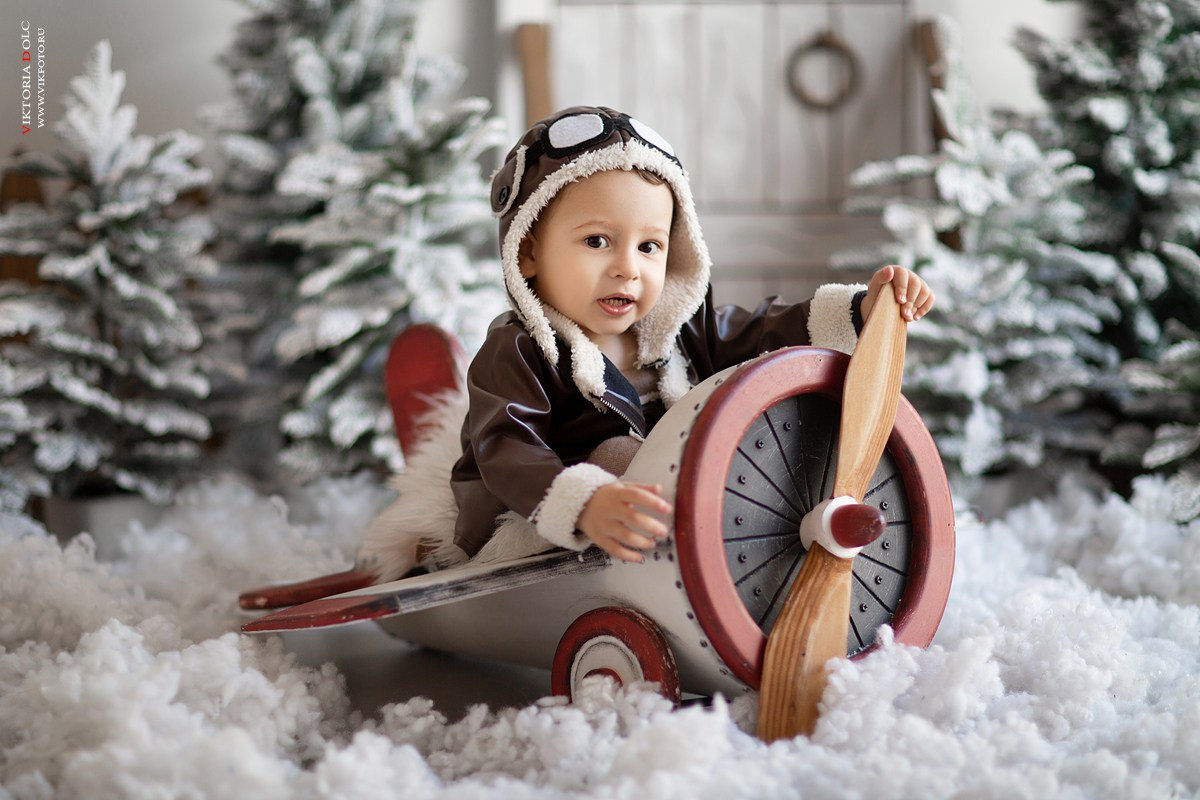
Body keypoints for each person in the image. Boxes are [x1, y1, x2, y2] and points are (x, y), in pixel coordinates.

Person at [449, 105, 934, 566]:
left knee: (764, 425)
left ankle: (786, 524)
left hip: (679, 497)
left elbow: (761, 334)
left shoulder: (675, 329)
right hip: (549, 514)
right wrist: (585, 502)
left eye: (649, 246)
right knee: (619, 456)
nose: (627, 268)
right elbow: (508, 449)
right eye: (597, 241)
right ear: (528, 253)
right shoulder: (518, 351)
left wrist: (860, 310)